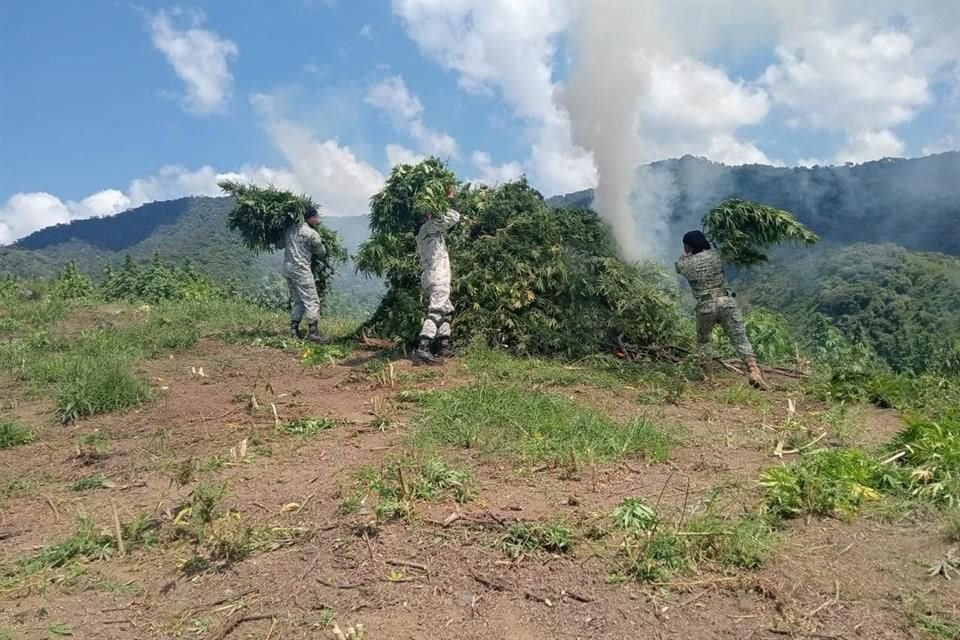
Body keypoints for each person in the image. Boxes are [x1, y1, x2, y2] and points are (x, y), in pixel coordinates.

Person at [675, 230, 769, 390]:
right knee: (740, 338)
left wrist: (685, 256)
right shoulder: (715, 255)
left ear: (688, 246)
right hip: (726, 301)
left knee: (704, 341)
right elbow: (726, 251)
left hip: (706, 305)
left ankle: (708, 377)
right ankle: (753, 370)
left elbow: (678, 268)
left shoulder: (685, 263)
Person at [411, 186, 461, 365]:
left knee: (447, 310)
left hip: (432, 276)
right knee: (437, 311)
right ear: (424, 218)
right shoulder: (428, 227)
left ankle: (442, 345)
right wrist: (450, 197)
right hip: (438, 276)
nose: (431, 214)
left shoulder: (422, 232)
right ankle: (422, 348)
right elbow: (454, 216)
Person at [284, 205, 328, 343]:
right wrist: (322, 244)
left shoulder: (290, 230)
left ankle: (293, 329)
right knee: (312, 301)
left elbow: (279, 244)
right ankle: (313, 333)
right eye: (316, 217)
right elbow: (321, 253)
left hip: (288, 269)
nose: (317, 220)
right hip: (301, 270)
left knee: (298, 300)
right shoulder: (311, 233)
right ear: (310, 217)